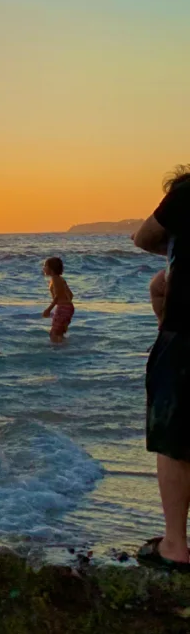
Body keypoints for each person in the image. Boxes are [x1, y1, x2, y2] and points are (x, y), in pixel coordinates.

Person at [133, 165, 190, 571]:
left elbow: (143, 237)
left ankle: (174, 544)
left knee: (175, 437)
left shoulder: (188, 193)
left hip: (186, 334)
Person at [42, 257, 75, 343]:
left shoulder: (55, 279)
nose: (43, 268)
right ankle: (63, 348)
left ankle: (59, 351)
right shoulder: (61, 279)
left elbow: (57, 296)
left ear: (51, 269)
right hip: (68, 308)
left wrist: (48, 310)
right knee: (59, 333)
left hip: (63, 308)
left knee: (54, 334)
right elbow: (71, 295)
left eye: (45, 266)